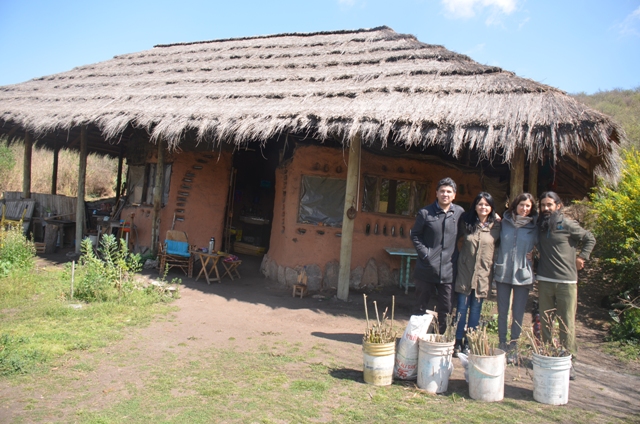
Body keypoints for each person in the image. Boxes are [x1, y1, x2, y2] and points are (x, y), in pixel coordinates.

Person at [537, 191, 595, 379]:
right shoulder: (540, 225)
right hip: (545, 280)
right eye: (543, 205)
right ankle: (547, 355)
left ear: (558, 206)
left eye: (549, 205)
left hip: (566, 282)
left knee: (566, 322)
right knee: (545, 321)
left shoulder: (567, 224)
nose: (545, 208)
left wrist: (582, 257)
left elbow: (589, 238)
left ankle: (568, 360)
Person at [410, 177, 465, 334]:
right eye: (442, 191)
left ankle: (440, 341)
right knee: (420, 306)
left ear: (454, 195)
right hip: (426, 269)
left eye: (449, 192)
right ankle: (414, 339)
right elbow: (415, 235)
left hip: (449, 269)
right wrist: (425, 254)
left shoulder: (459, 213)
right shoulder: (425, 213)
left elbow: (471, 225)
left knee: (446, 309)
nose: (445, 194)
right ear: (436, 193)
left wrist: (494, 217)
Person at [453, 192, 501, 355]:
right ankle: (457, 340)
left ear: (491, 208)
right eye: (480, 204)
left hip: (483, 275)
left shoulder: (497, 226)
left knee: (475, 310)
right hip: (465, 273)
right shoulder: (466, 222)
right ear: (475, 206)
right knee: (461, 308)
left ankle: (470, 341)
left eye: (487, 205)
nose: (483, 207)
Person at [493, 192, 538, 359]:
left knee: (518, 312)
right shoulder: (504, 222)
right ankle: (502, 342)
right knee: (502, 310)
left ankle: (514, 344)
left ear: (532, 208)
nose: (524, 209)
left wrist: (535, 254)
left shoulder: (535, 227)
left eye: (528, 206)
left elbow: (544, 245)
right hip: (503, 271)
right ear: (515, 205)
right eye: (521, 205)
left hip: (523, 273)